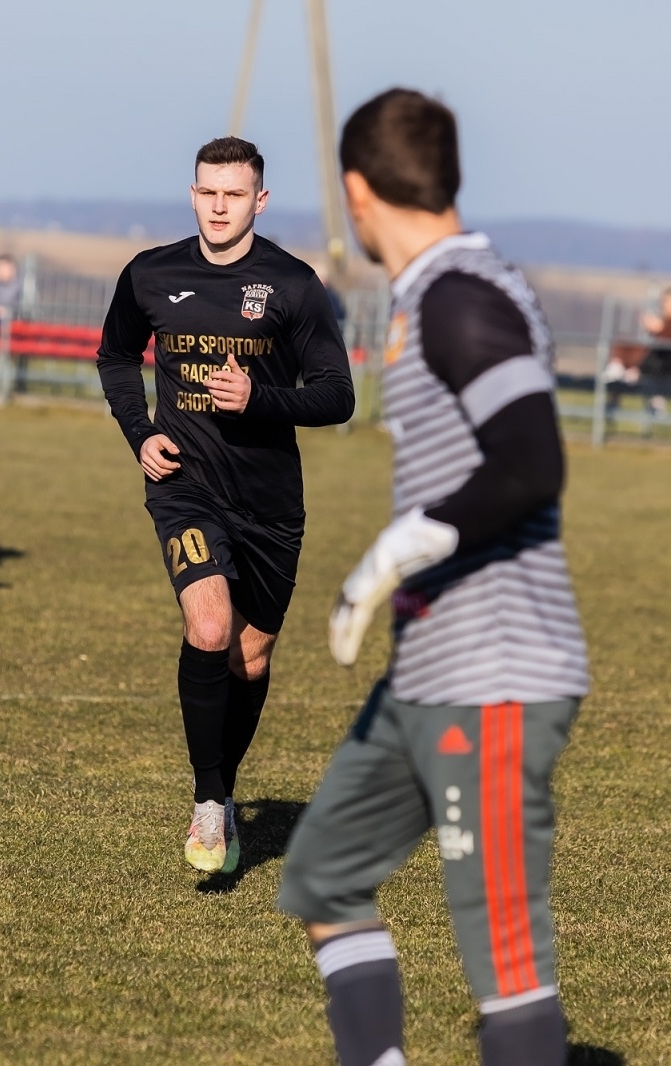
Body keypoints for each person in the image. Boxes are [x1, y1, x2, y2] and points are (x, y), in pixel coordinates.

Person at [278, 88, 589, 1066]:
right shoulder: (437, 295)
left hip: (493, 671)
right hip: (423, 673)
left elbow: (532, 460)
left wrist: (406, 542)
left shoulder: (459, 296)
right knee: (324, 874)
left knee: (505, 967)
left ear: (354, 191)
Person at [96, 135, 353, 874]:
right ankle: (209, 802)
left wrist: (259, 398)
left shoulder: (295, 285)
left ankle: (224, 790)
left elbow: (338, 394)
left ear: (259, 201)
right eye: (208, 191)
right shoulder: (151, 273)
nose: (219, 205)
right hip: (185, 486)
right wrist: (140, 433)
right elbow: (117, 356)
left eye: (234, 194)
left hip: (270, 499)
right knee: (209, 627)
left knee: (250, 653)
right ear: (192, 193)